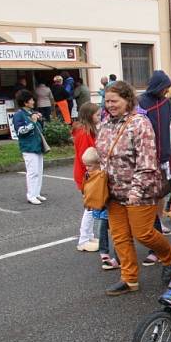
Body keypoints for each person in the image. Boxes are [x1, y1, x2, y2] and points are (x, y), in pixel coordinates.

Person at [95, 81, 171, 296]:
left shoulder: (140, 123)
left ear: (127, 100)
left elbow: (147, 162)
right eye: (107, 101)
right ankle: (129, 279)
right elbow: (101, 156)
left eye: (115, 101)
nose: (110, 105)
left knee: (144, 234)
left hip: (140, 192)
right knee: (120, 236)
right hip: (112, 192)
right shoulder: (105, 124)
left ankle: (170, 258)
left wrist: (136, 191)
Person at [138, 70, 171, 263]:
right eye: (164, 87)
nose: (166, 91)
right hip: (147, 159)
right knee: (150, 198)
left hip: (165, 157)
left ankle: (158, 224)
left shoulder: (168, 104)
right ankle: (155, 244)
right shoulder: (141, 103)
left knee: (161, 193)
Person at [81, 147, 120, 270]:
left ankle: (118, 253)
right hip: (99, 207)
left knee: (116, 231)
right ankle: (104, 251)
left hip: (107, 206)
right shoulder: (88, 175)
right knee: (102, 228)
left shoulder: (103, 174)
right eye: (86, 166)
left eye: (90, 166)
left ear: (99, 164)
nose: (87, 168)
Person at [72, 102, 100, 252]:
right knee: (90, 207)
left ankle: (88, 235)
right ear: (90, 116)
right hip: (87, 175)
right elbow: (86, 158)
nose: (99, 116)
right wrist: (90, 176)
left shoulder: (86, 131)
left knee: (91, 205)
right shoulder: (84, 133)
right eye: (97, 114)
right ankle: (83, 239)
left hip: (88, 174)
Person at [12, 89, 46, 205]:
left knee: (39, 171)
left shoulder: (31, 112)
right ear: (25, 102)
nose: (33, 101)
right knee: (32, 172)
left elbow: (40, 128)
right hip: (28, 147)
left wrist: (39, 120)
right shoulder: (18, 115)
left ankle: (37, 193)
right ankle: (31, 195)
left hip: (37, 145)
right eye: (31, 100)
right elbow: (20, 131)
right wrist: (32, 123)